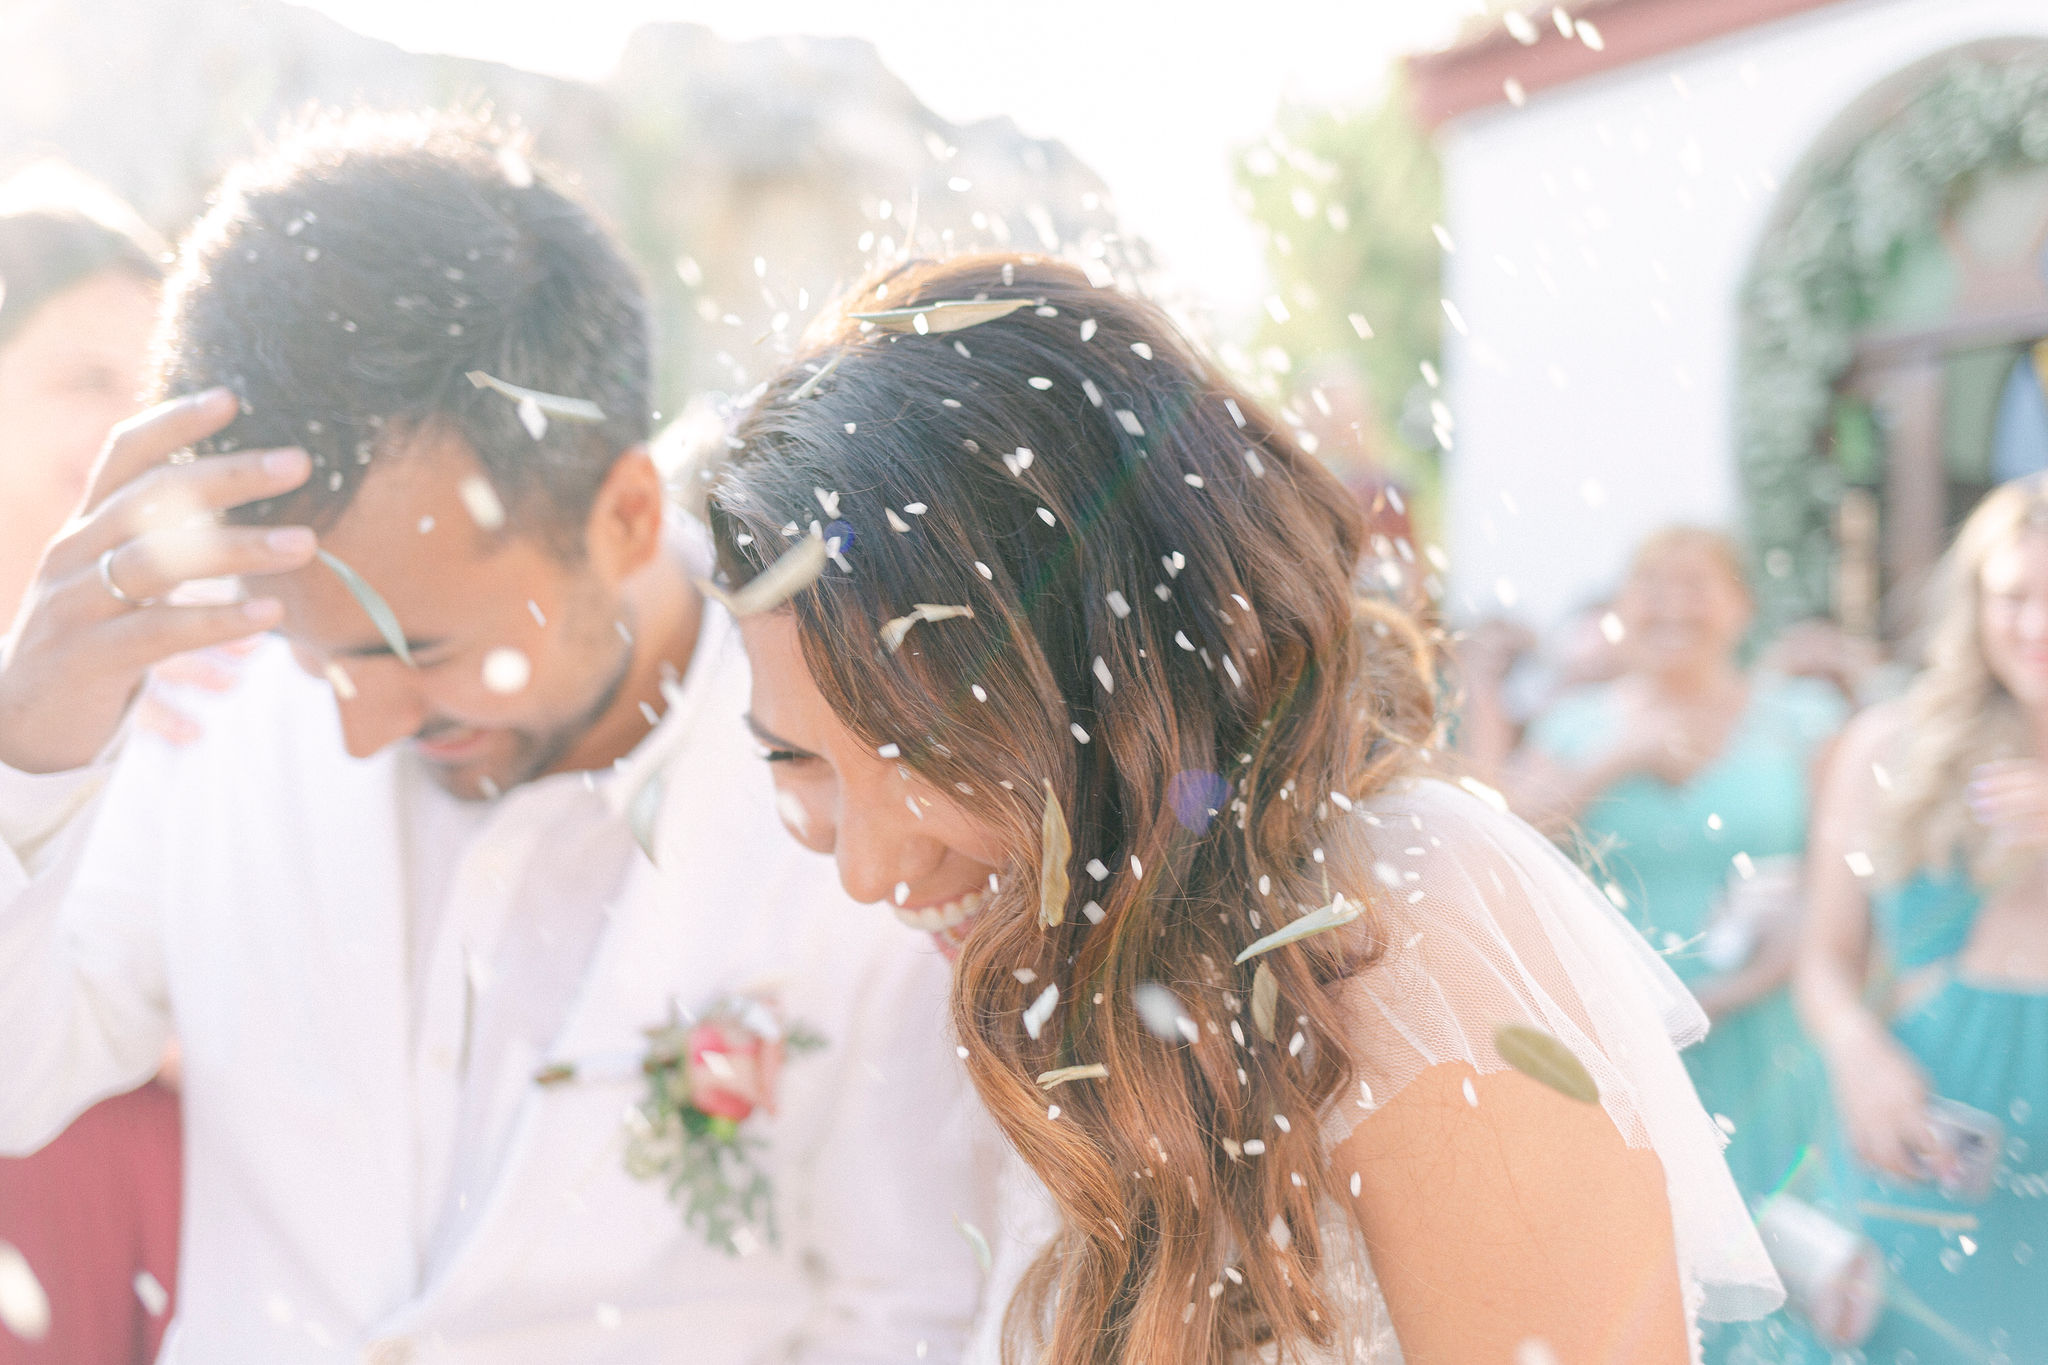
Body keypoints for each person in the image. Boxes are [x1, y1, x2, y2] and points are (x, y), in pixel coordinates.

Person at [0, 112, 991, 1361]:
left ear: (624, 516)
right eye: (318, 655)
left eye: (416, 653)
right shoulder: (210, 722)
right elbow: (17, 1083)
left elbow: (899, 1309)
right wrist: (23, 752)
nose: (358, 725)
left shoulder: (854, 792)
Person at [700, 254, 1781, 1363]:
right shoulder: (1098, 971)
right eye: (796, 760)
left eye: (936, 760)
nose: (869, 872)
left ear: (1129, 686)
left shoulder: (1403, 934)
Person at [1506, 529, 1847, 1211]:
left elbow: (1838, 873)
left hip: (1767, 1022)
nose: (1673, 606)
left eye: (1697, 585)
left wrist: (1751, 978)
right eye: (1652, 585)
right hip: (1617, 1030)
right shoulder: (1572, 726)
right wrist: (1618, 756)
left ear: (1742, 605)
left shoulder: (1804, 721)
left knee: (1783, 1235)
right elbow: (1507, 843)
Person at [1798, 476, 2048, 1362]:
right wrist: (1856, 1050)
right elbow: (1823, 960)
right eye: (2014, 595)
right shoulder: (1885, 746)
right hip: (1926, 1130)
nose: (2036, 625)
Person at [0, 164, 183, 1365]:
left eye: (157, 391)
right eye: (85, 382)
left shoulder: (220, 674)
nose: (131, 431)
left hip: (174, 1208)